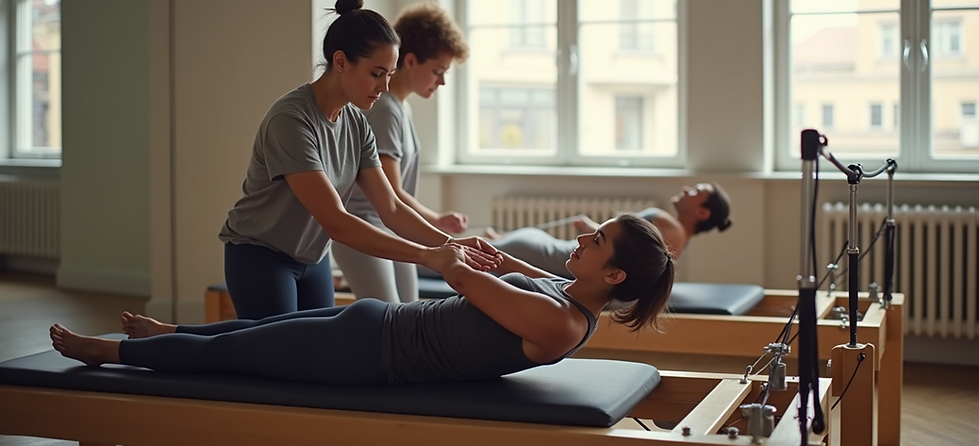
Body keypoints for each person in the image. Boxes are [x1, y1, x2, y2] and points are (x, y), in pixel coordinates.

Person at [50, 214, 676, 387]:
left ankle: (110, 353)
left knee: (237, 356)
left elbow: (462, 279)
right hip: (376, 324)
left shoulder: (563, 325)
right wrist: (498, 257)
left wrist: (447, 248)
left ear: (615, 276)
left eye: (597, 241)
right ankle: (166, 331)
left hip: (368, 354)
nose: (581, 238)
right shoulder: (564, 296)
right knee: (244, 333)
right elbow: (512, 275)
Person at [218, 0, 498, 320]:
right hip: (260, 254)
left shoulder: (357, 122)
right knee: (267, 356)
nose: (384, 86)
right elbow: (336, 221)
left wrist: (451, 244)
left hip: (312, 257)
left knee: (319, 356)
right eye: (376, 73)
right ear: (340, 61)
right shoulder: (291, 119)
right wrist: (429, 256)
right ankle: (168, 335)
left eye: (389, 75)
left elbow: (391, 207)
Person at [333, 1, 471, 303]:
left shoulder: (399, 108)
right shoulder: (385, 110)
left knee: (407, 317)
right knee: (392, 321)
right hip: (367, 227)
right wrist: (434, 221)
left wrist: (434, 224)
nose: (442, 81)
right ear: (409, 61)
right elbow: (392, 192)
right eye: (437, 71)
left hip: (391, 228)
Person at [485, 182, 732, 279]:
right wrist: (592, 228)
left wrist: (593, 229)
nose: (687, 189)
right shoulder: (676, 236)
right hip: (541, 248)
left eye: (696, 192)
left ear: (703, 212)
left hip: (548, 254)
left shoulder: (671, 228)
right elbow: (624, 246)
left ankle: (498, 242)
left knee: (461, 251)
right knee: (471, 249)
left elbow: (625, 254)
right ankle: (501, 241)